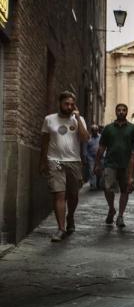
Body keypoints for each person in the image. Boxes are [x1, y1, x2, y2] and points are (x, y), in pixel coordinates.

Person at [39, 91, 90, 242]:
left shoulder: (78, 120)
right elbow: (45, 142)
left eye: (71, 104)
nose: (69, 107)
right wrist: (42, 162)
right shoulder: (49, 120)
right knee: (59, 194)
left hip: (74, 161)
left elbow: (85, 138)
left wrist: (78, 118)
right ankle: (61, 228)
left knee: (73, 196)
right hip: (54, 160)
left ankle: (71, 216)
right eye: (66, 104)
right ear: (60, 103)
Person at [94, 103, 134, 228]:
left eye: (124, 110)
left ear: (127, 112)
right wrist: (97, 163)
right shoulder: (108, 129)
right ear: (115, 111)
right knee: (108, 188)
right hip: (110, 163)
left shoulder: (133, 129)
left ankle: (120, 216)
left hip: (127, 165)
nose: (121, 112)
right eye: (119, 110)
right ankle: (111, 208)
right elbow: (102, 147)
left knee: (125, 191)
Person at [85, 124, 101, 190]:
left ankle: (98, 183)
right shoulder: (88, 138)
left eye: (96, 130)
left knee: (99, 171)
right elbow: (85, 148)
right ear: (91, 131)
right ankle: (93, 185)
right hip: (91, 157)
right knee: (92, 170)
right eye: (93, 130)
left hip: (100, 157)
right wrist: (85, 156)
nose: (95, 131)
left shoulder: (101, 137)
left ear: (97, 130)